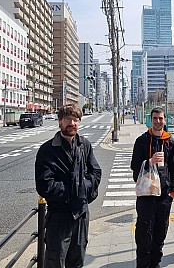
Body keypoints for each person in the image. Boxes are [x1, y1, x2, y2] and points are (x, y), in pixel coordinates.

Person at [35, 103, 102, 268]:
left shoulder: (84, 145)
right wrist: (73, 191)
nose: (72, 123)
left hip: (81, 214)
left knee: (77, 259)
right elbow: (45, 185)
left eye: (75, 119)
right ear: (59, 121)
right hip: (59, 215)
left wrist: (83, 189)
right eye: (67, 119)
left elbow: (96, 172)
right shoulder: (47, 150)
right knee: (55, 261)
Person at [131, 106, 174, 268]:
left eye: (161, 118)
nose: (158, 122)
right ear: (150, 120)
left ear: (165, 120)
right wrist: (149, 162)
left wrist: (173, 191)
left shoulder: (170, 141)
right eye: (155, 119)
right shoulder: (142, 140)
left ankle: (155, 264)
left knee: (160, 231)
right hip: (146, 195)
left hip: (164, 196)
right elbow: (134, 166)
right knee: (144, 232)